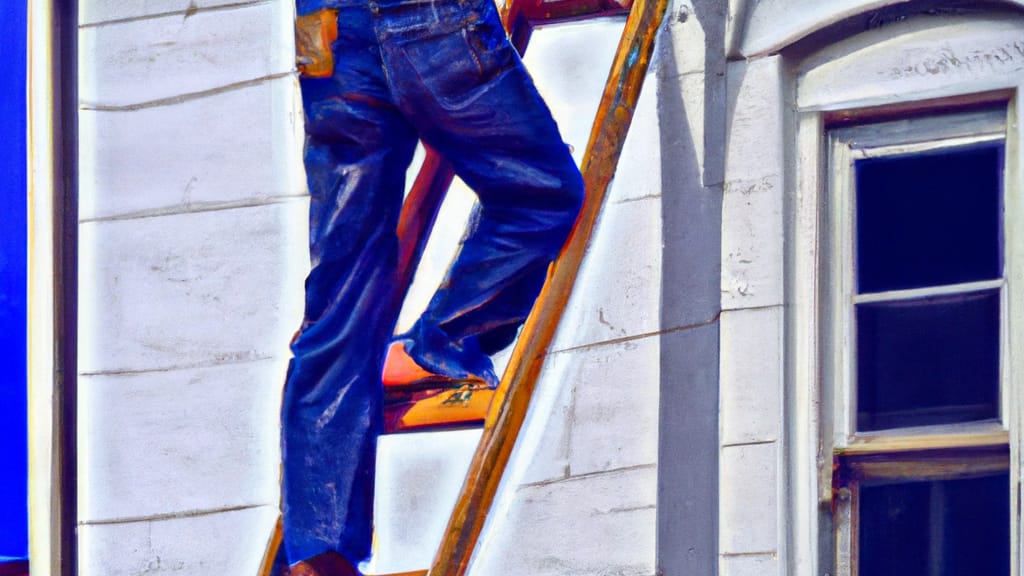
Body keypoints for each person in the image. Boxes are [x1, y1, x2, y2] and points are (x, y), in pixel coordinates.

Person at [281, 0, 584, 573]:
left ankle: (318, 551)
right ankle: (440, 344)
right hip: (427, 17)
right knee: (540, 192)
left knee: (341, 289)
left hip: (325, 30)